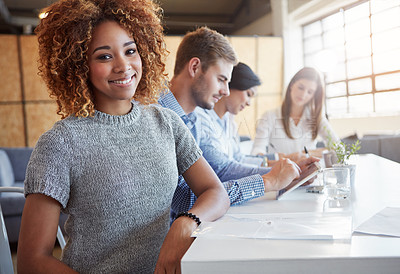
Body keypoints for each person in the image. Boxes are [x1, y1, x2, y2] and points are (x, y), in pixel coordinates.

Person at [17, 1, 229, 273]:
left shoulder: (166, 122)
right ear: (79, 65)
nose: (123, 66)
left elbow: (215, 192)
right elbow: (31, 261)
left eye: (130, 51)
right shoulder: (60, 143)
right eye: (104, 56)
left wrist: (185, 223)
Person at [159, 27, 318, 222]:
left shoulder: (191, 120)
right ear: (194, 67)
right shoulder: (157, 116)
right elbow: (191, 196)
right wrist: (270, 180)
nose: (226, 91)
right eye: (221, 80)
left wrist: (286, 176)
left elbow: (212, 183)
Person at [251, 67, 340, 159]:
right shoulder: (269, 116)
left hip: (310, 171)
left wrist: (306, 154)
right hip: (281, 171)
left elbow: (338, 147)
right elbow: (256, 153)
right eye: (301, 88)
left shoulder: (316, 117)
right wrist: (284, 158)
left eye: (310, 92)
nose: (303, 94)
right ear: (291, 85)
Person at [195, 62, 266, 168]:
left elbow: (238, 159)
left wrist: (275, 166)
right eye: (248, 94)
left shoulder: (229, 122)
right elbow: (222, 170)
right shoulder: (201, 119)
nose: (248, 103)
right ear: (231, 86)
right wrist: (273, 175)